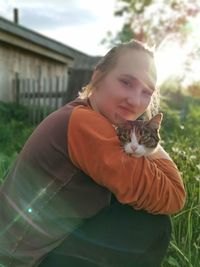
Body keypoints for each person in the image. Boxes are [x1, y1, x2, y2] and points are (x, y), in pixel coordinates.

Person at [0, 39, 186, 267]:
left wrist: (142, 130)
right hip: (24, 260)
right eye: (126, 82)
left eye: (147, 92)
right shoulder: (85, 124)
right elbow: (174, 195)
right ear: (99, 76)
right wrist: (151, 139)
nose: (135, 100)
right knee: (150, 224)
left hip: (31, 247)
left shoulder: (85, 115)